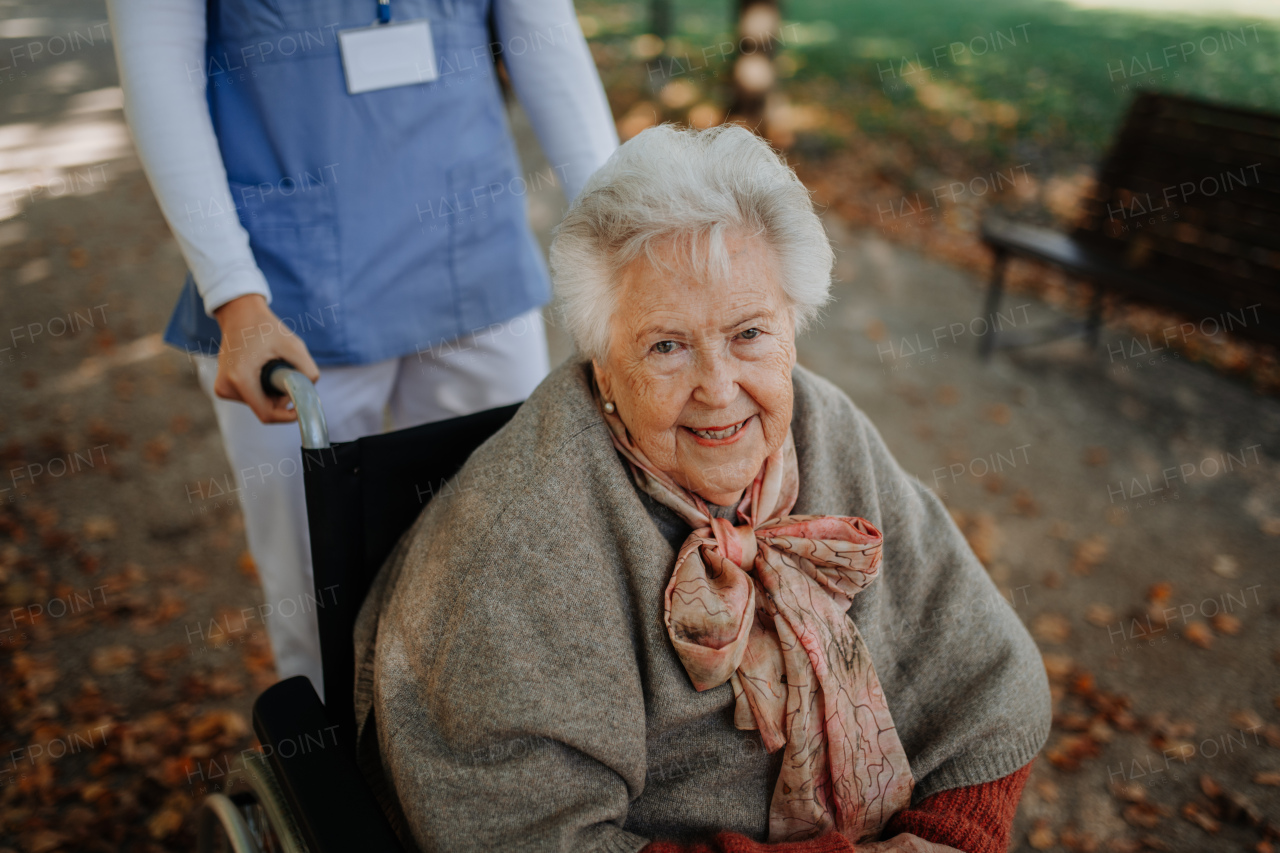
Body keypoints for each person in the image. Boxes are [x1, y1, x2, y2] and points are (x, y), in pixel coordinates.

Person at [352, 125, 1052, 852]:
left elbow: (989, 673)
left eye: (749, 333)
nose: (719, 390)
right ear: (603, 364)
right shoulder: (525, 530)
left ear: (793, 325)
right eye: (667, 346)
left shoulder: (825, 426)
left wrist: (948, 836)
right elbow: (521, 825)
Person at [105, 0, 618, 690]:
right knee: (320, 595)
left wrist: (625, 241)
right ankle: (330, 772)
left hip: (473, 260)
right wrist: (234, 292)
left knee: (505, 557)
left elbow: (544, 38)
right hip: (286, 293)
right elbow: (158, 74)